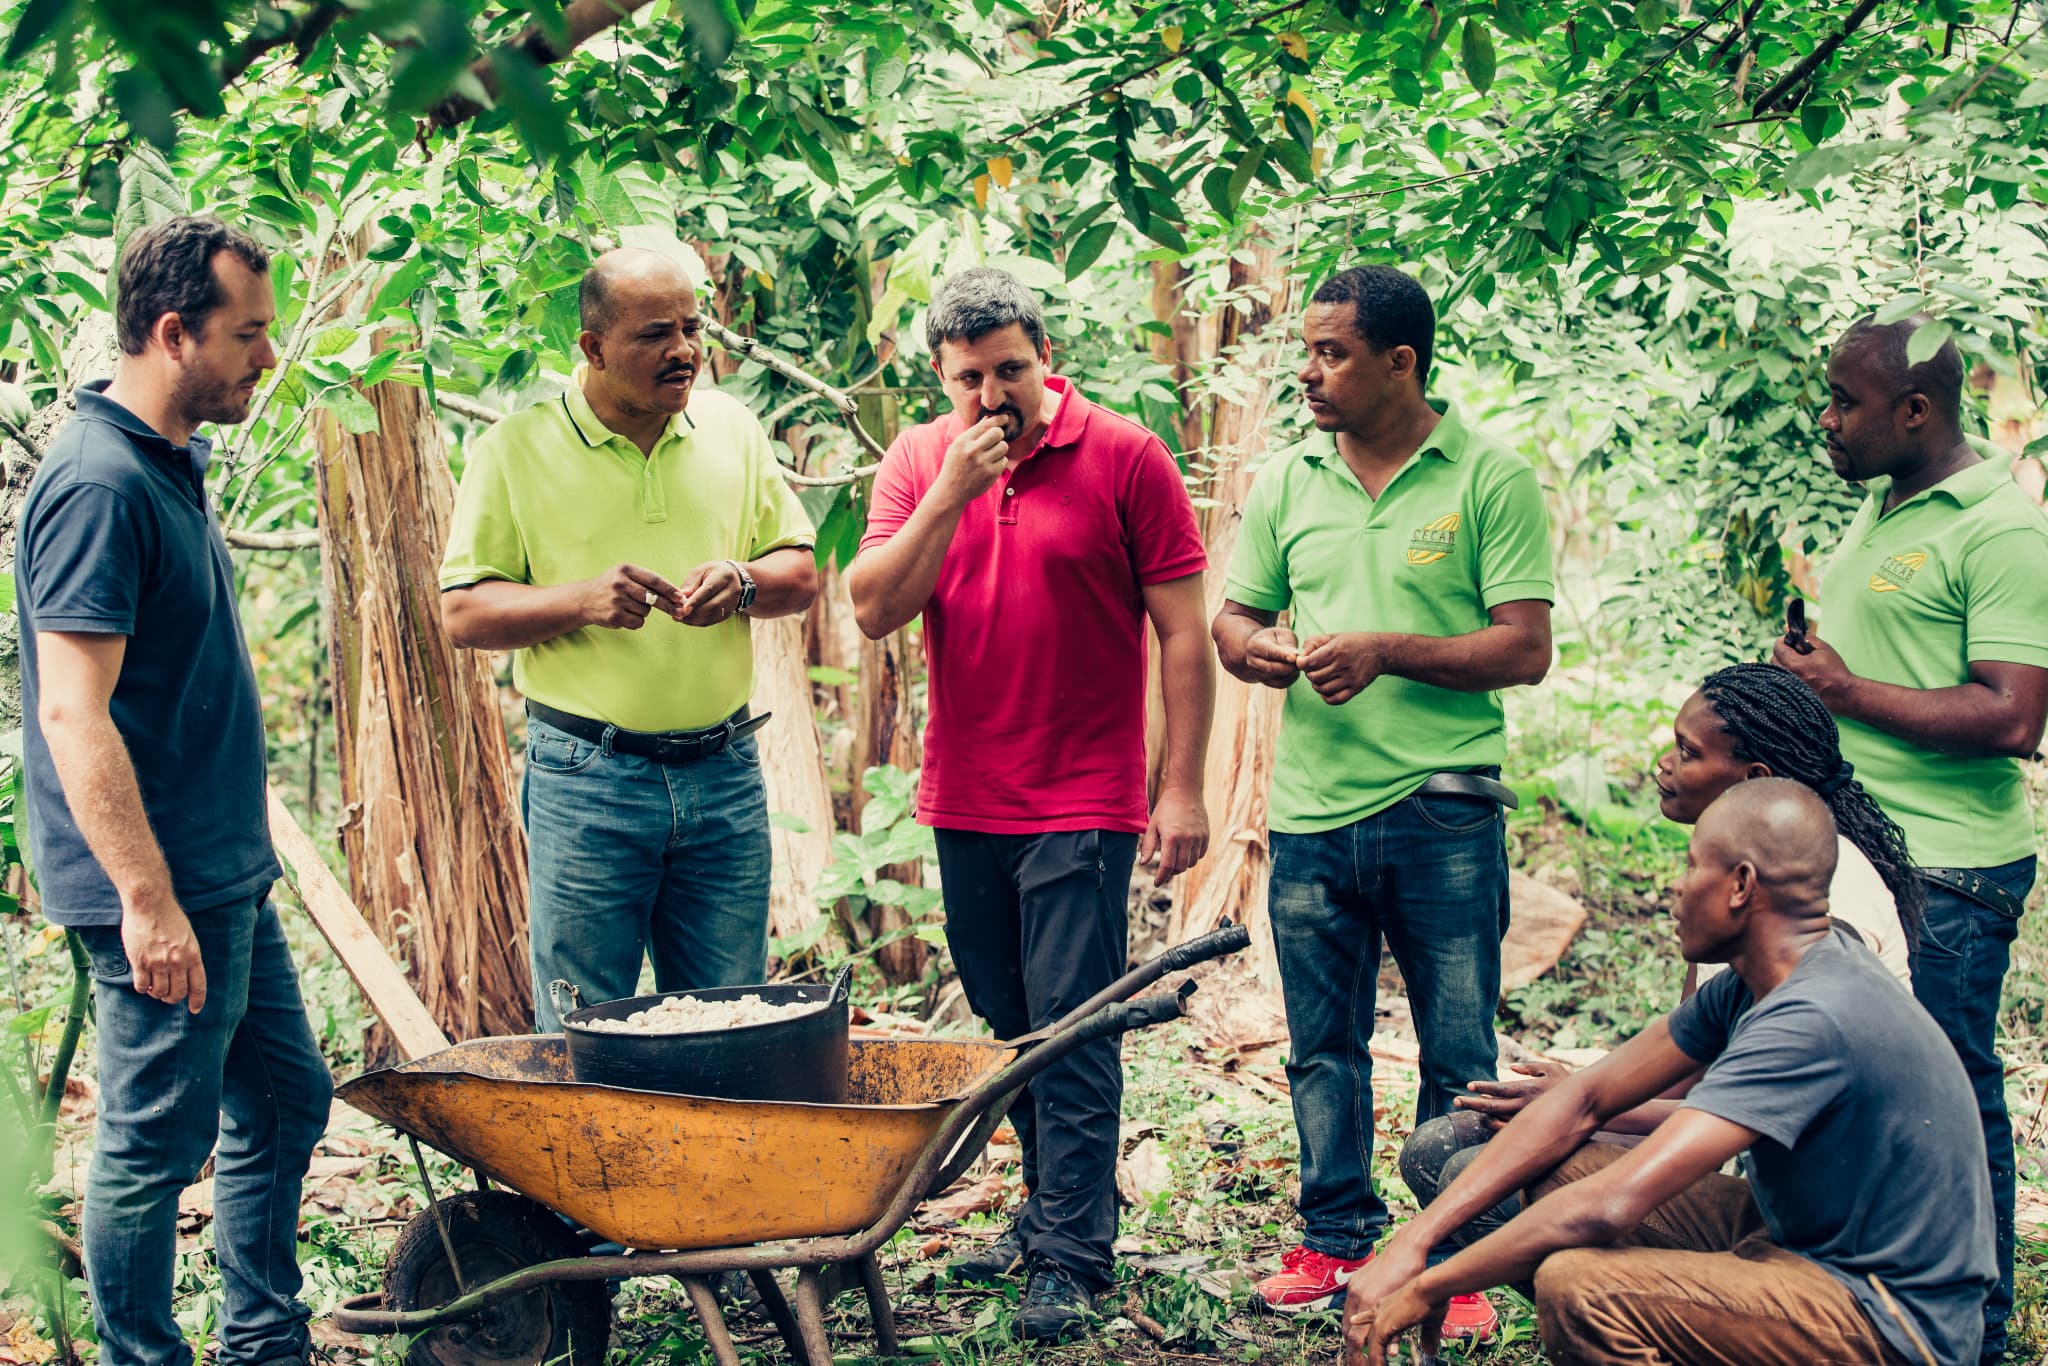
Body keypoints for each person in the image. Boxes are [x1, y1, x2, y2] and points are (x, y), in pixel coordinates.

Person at [845, 267, 1214, 1342]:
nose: (993, 395)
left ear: (1041, 355)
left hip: (1083, 795)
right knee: (1012, 1029)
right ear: (939, 375)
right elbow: (872, 606)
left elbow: (1182, 632)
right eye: (970, 378)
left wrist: (1178, 784)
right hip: (966, 792)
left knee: (1072, 1028)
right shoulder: (922, 459)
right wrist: (952, 490)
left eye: (1011, 369)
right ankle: (1049, 1212)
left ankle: (1069, 1254)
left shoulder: (1125, 454)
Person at [1345, 780, 1996, 1366]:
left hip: (1891, 1319)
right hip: (1798, 1243)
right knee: (1548, 1169)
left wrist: (1433, 1280)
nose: (1675, 888)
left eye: (1691, 867)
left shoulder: (1811, 1018)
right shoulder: (1764, 978)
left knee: (1581, 1290)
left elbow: (1613, 1203)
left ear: (1741, 885)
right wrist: (1418, 1238)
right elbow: (1586, 1097)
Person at [15, 215, 334, 1366]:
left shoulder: (163, 455)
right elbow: (69, 708)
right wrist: (146, 901)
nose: (265, 355)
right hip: (159, 890)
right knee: (152, 1147)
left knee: (289, 1100)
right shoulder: (98, 483)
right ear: (168, 331)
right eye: (246, 334)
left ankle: (262, 1340)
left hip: (219, 870)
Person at [1212, 265, 1552, 1335]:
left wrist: (1387, 650)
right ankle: (1333, 1239)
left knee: (1459, 1055)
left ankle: (1449, 1265)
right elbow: (1232, 617)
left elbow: (1523, 648)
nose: (1308, 373)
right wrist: (1257, 650)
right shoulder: (1286, 481)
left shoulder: (1486, 478)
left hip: (1441, 808)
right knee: (1322, 1046)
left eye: (1331, 353)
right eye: (1306, 351)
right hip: (1311, 813)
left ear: (1399, 361)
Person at [1399, 660, 1922, 1258]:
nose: (1663, 764)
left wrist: (1581, 1115)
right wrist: (1575, 1096)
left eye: (1688, 751)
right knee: (1446, 1148)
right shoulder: (1738, 888)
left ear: (1753, 777)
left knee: (1486, 1177)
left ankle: (1631, 1311)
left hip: (1841, 1229)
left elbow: (1728, 1113)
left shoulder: (1820, 908)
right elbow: (1687, 1071)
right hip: (1763, 1173)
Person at [440, 247, 819, 1031]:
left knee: (732, 1022)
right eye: (656, 334)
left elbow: (801, 572)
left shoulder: (732, 429)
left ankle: (711, 1160)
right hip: (588, 781)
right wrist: (582, 600)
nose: (684, 350)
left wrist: (743, 582)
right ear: (593, 348)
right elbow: (464, 613)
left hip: (725, 776)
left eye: (691, 327)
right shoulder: (515, 449)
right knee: (587, 1029)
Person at [1772, 313, 2048, 1361]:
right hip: (1865, 862)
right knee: (1864, 1091)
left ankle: (1972, 1321)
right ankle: (1868, 1294)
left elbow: (2012, 717)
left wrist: (1843, 686)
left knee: (1944, 1088)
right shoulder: (1887, 507)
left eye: (1845, 401)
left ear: (1915, 410)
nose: (1826, 421)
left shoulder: (1998, 528)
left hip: (1949, 870)